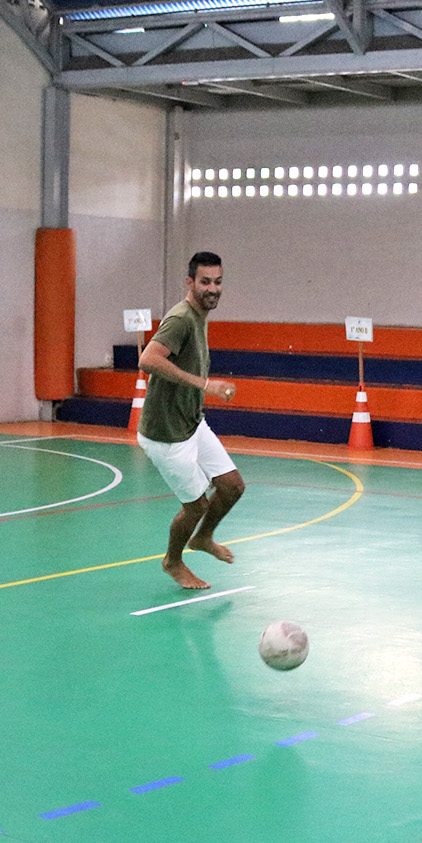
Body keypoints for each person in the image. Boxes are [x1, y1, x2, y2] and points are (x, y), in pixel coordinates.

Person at [137, 251, 246, 590]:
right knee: (196, 505)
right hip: (165, 433)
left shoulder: (200, 316)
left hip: (191, 423)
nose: (212, 288)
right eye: (205, 282)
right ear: (190, 282)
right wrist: (204, 384)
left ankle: (203, 538)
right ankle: (172, 561)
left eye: (218, 282)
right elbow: (148, 359)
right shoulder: (181, 318)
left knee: (232, 486)